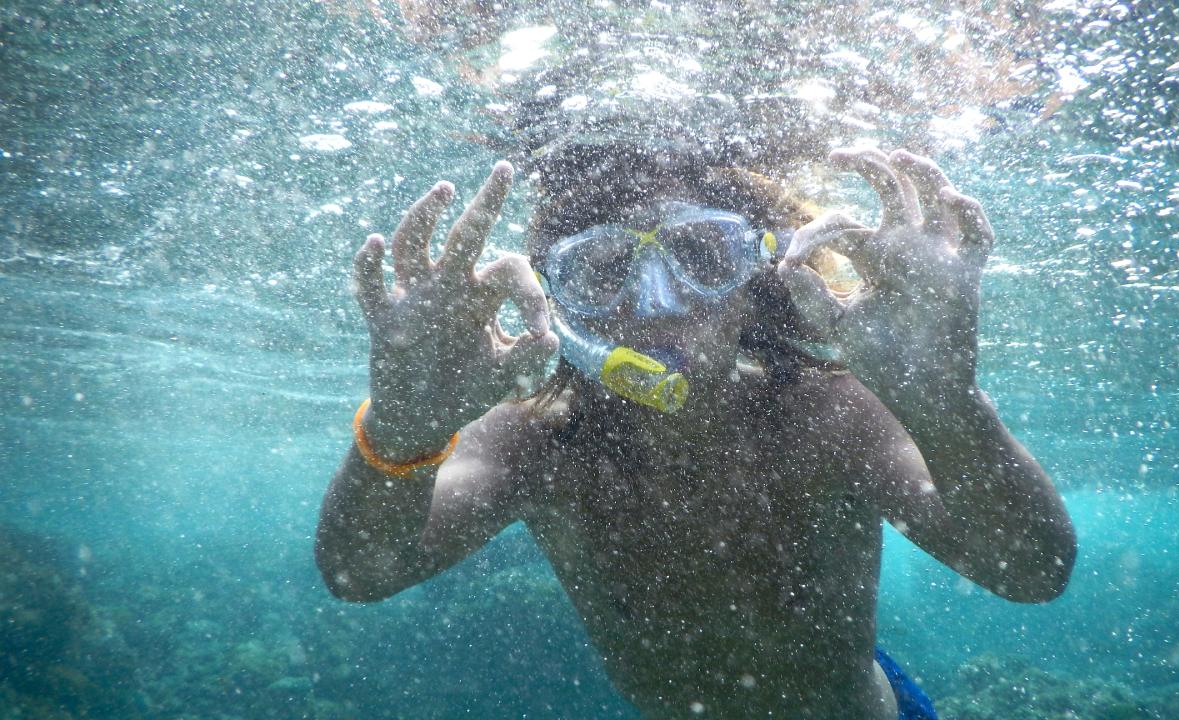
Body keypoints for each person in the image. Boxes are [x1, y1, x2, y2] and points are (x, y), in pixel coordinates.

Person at [315, 146, 1077, 719]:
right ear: (561, 300)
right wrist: (403, 427)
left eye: (704, 256)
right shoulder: (535, 440)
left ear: (757, 282)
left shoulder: (829, 416)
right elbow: (361, 573)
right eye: (603, 269)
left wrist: (947, 402)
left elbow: (1033, 571)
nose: (658, 303)